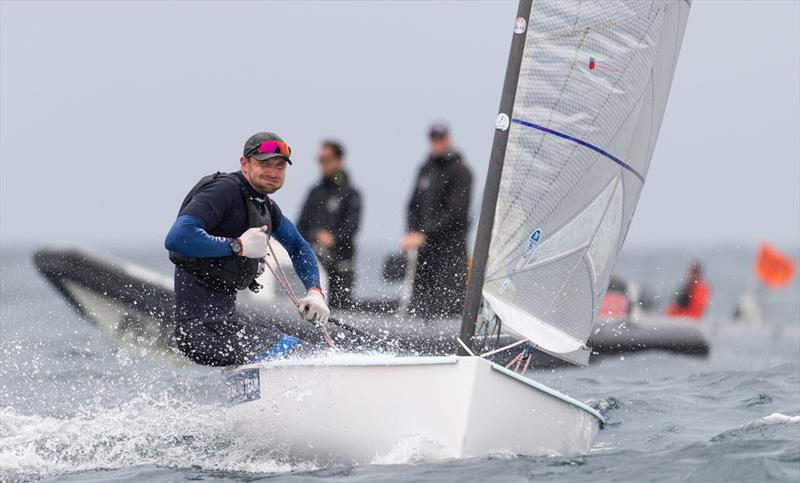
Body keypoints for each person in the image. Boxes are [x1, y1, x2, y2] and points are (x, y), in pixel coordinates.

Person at [164, 132, 330, 366]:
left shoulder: (264, 205)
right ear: (245, 164)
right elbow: (177, 237)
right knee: (295, 352)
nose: (273, 172)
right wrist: (237, 246)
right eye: (264, 164)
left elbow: (298, 247)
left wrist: (314, 292)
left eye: (279, 166)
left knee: (298, 342)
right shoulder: (223, 191)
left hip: (226, 321)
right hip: (200, 331)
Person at [401, 121, 472, 318]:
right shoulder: (425, 169)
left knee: (447, 308)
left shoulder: (461, 172)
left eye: (440, 139)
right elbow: (412, 205)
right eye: (433, 139)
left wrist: (425, 235)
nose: (436, 143)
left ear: (448, 139)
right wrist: (411, 232)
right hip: (425, 255)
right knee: (420, 307)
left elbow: (456, 214)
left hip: (450, 255)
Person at [297, 141, 362, 309]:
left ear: (338, 160)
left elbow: (352, 227)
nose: (322, 164)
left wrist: (333, 238)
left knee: (340, 307)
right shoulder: (315, 192)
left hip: (341, 266)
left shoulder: (351, 193)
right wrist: (316, 235)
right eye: (319, 159)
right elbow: (301, 225)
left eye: (326, 159)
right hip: (316, 262)